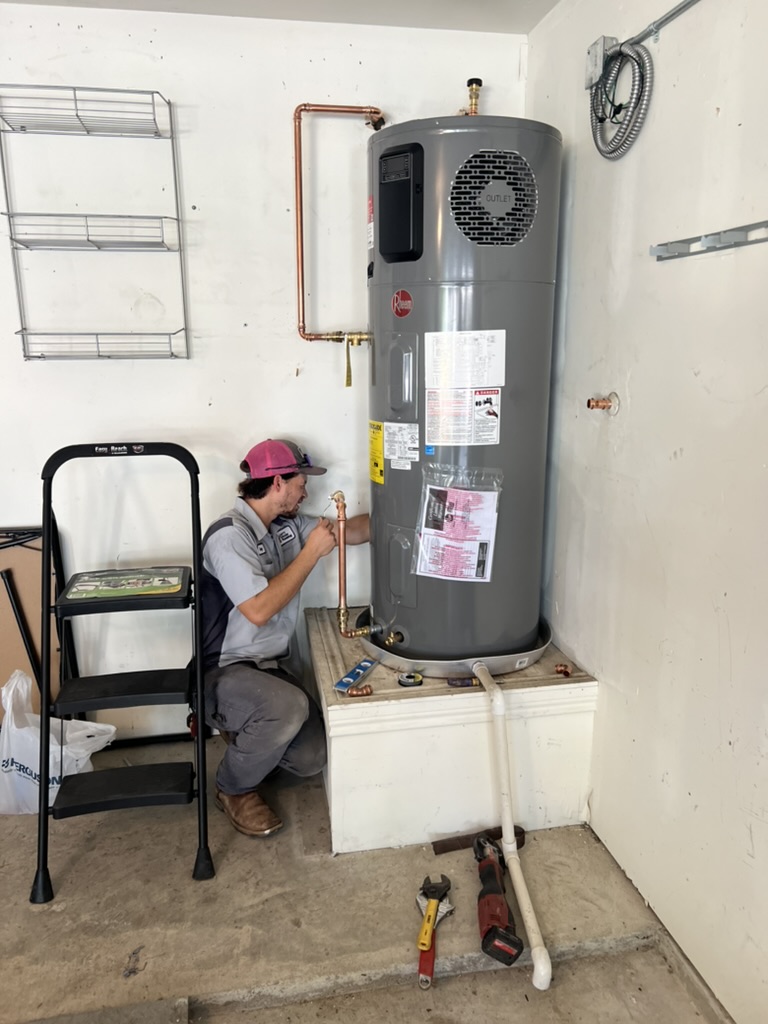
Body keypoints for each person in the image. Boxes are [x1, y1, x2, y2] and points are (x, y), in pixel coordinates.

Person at [200, 438, 369, 838]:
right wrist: (311, 554)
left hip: (268, 671)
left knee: (313, 756)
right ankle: (232, 788)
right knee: (288, 707)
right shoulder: (229, 536)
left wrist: (412, 509)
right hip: (223, 671)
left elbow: (353, 531)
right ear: (277, 483)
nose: (305, 490)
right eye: (300, 481)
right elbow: (258, 610)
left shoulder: (287, 526)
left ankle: (249, 734)